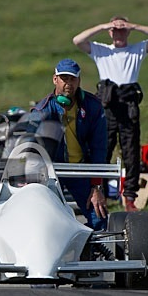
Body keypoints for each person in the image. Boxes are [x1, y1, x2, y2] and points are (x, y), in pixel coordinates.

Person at [73, 16, 148, 212]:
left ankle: (129, 197)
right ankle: (100, 194)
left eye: (123, 30)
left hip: (128, 105)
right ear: (110, 32)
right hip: (106, 105)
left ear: (128, 31)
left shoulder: (137, 50)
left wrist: (134, 26)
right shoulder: (101, 50)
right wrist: (103, 26)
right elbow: (77, 40)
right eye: (115, 30)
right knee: (101, 151)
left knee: (131, 153)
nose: (119, 34)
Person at [32, 59, 108, 230]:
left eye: (72, 79)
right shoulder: (42, 110)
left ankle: (89, 245)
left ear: (79, 81)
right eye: (64, 78)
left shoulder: (93, 107)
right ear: (55, 80)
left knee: (99, 217)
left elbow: (99, 148)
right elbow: (31, 149)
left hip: (81, 170)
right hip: (52, 174)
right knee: (45, 220)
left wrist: (96, 186)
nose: (68, 83)